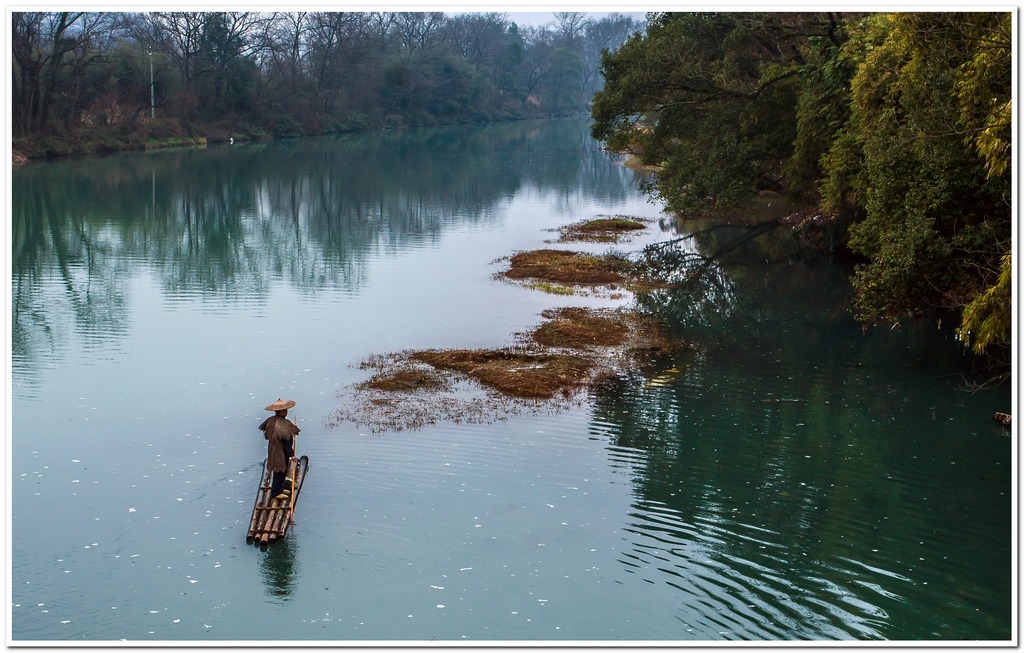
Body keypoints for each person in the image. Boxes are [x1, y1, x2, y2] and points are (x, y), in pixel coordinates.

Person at [259, 399, 300, 500]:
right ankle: (276, 492)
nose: (287, 412)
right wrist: (292, 455)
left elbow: (264, 429)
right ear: (280, 411)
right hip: (280, 451)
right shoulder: (284, 424)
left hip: (272, 448)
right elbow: (287, 443)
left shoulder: (270, 420)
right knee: (280, 471)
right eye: (285, 410)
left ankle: (280, 488)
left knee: (280, 470)